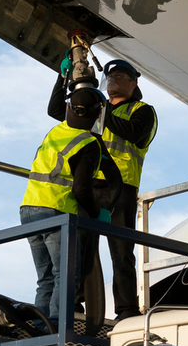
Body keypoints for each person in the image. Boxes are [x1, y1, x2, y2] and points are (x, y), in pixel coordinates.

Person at [45, 58, 156, 321]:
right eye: (111, 76)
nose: (113, 80)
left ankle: (127, 308)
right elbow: (55, 110)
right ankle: (75, 303)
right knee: (80, 247)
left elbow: (135, 134)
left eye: (120, 76)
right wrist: (63, 79)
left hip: (121, 189)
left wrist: (101, 110)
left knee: (121, 249)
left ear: (134, 83)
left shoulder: (142, 110)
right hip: (89, 185)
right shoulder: (97, 109)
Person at [21, 82, 122, 325]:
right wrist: (97, 212)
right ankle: (57, 328)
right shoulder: (87, 143)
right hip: (56, 211)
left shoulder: (56, 132)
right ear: (98, 114)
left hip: (29, 209)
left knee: (45, 278)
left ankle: (40, 327)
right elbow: (81, 188)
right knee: (66, 276)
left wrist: (61, 77)